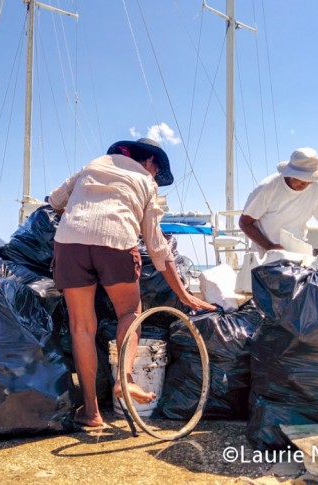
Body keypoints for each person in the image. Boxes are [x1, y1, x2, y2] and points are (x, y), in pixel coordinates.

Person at [48, 137, 215, 428]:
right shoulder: (144, 181)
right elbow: (158, 248)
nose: (155, 178)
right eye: (157, 172)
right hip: (116, 242)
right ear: (150, 162)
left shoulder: (94, 165)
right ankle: (123, 381)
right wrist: (185, 295)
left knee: (81, 327)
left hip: (70, 242)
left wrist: (79, 216)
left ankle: (91, 412)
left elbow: (55, 201)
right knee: (129, 313)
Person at [239, 147, 318, 256]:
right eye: (301, 179)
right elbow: (245, 223)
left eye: (309, 180)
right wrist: (270, 247)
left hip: (299, 254)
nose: (305, 184)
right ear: (290, 173)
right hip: (264, 256)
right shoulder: (268, 187)